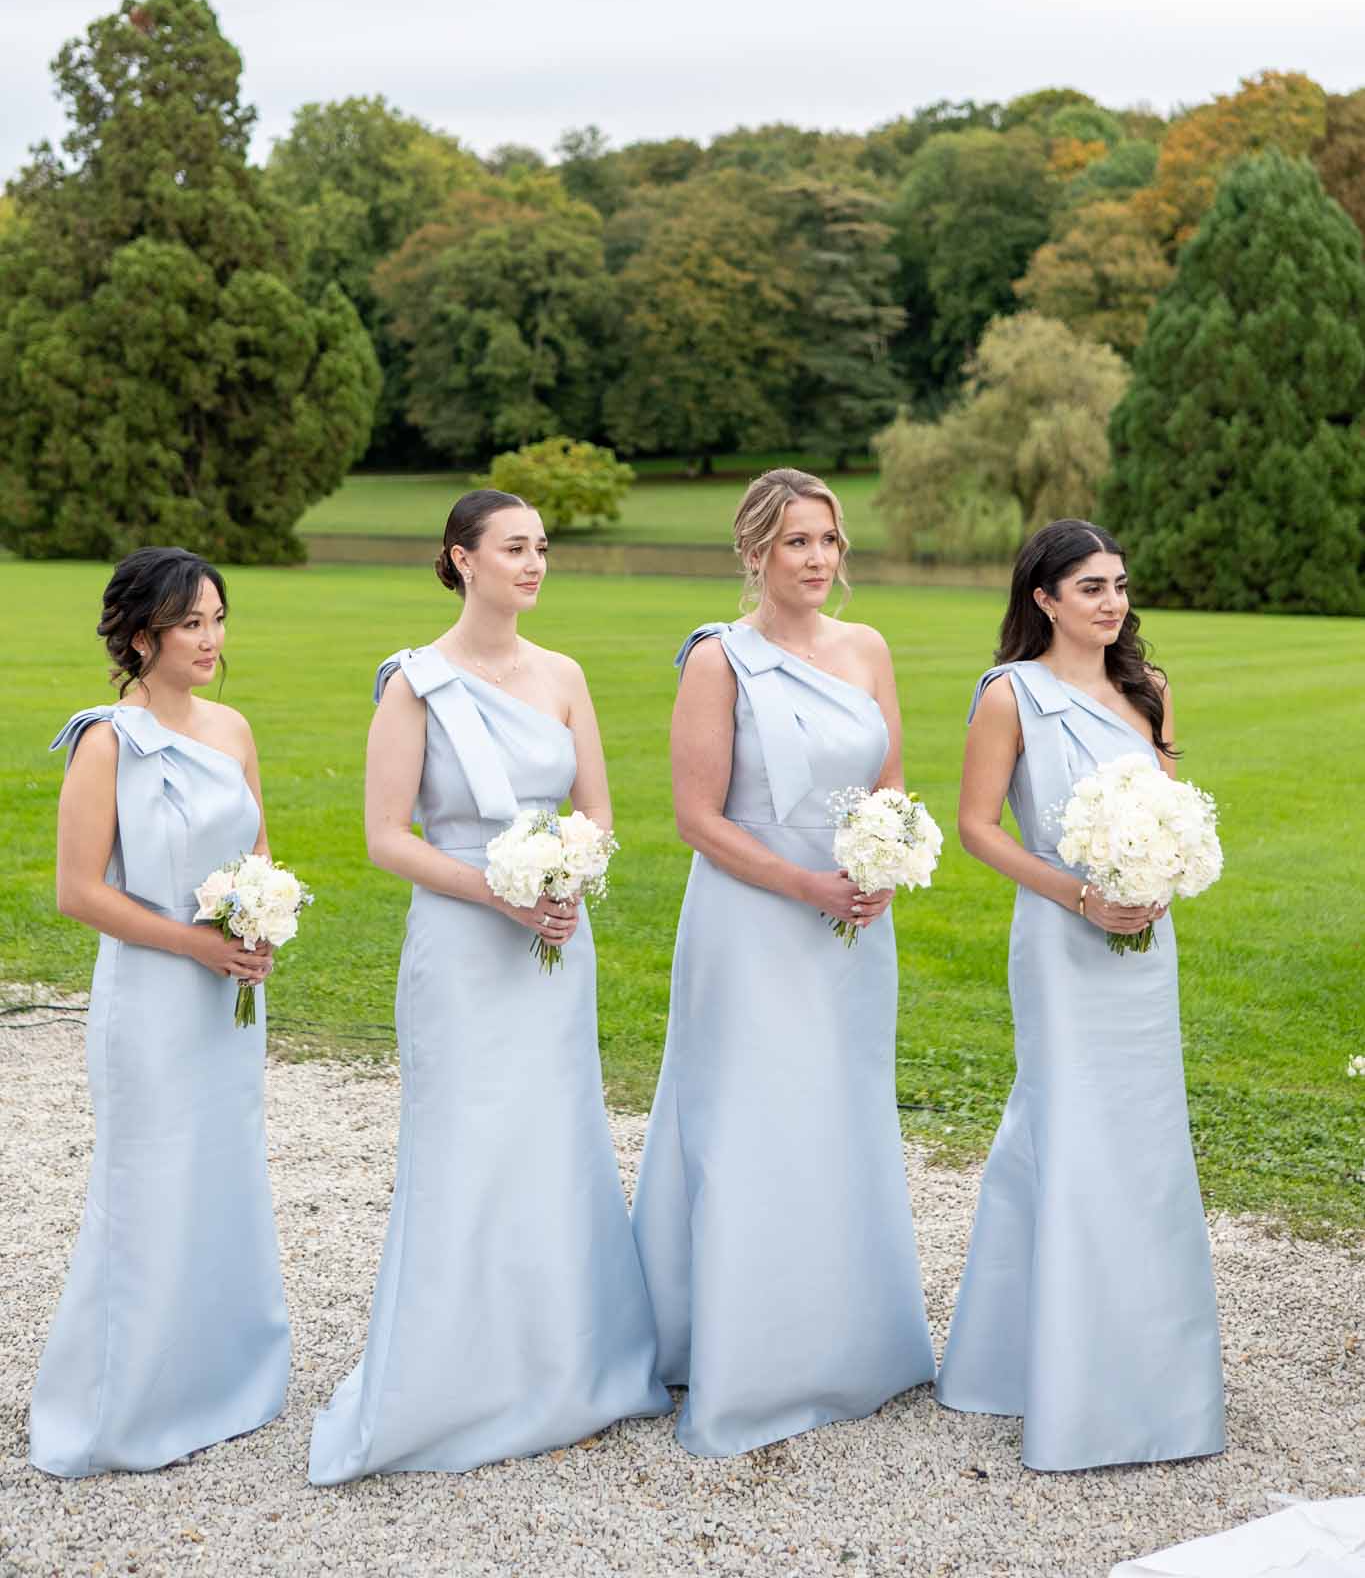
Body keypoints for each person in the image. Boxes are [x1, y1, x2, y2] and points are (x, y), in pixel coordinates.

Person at [308, 489, 669, 1483]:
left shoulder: (564, 675)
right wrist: (496, 891)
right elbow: (385, 837)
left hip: (554, 937)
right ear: (461, 559)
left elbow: (597, 814)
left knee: (554, 1136)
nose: (534, 562)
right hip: (464, 944)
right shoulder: (414, 685)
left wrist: (567, 880)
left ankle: (565, 1366)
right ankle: (451, 1380)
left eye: (541, 546)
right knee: (467, 1139)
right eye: (514, 547)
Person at [632, 467, 936, 1458]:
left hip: (854, 923)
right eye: (797, 540)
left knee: (839, 1110)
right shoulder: (719, 659)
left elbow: (891, 782)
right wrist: (806, 885)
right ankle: (740, 1352)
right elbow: (697, 818)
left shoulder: (867, 647)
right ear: (755, 550)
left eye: (828, 540)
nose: (816, 558)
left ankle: (847, 1340)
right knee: (751, 1115)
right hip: (752, 921)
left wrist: (885, 859)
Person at [935, 518, 1225, 1470]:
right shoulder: (1007, 694)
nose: (1111, 603)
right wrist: (1079, 894)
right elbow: (978, 827)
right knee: (1064, 1124)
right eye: (1091, 587)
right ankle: (1047, 1368)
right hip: (1061, 938)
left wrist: (1160, 877)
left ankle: (1146, 1358)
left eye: (1119, 585)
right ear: (1044, 598)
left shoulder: (1149, 691)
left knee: (1144, 1132)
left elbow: (1172, 811)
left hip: (1144, 941)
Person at [30, 547, 289, 1477]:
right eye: (190, 624)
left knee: (221, 1170)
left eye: (217, 619)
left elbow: (258, 853)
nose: (210, 639)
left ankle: (216, 1378)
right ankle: (123, 1402)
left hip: (230, 994)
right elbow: (77, 891)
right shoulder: (106, 741)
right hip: (150, 996)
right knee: (148, 1181)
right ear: (142, 637)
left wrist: (259, 924)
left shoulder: (232, 729)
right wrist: (194, 944)